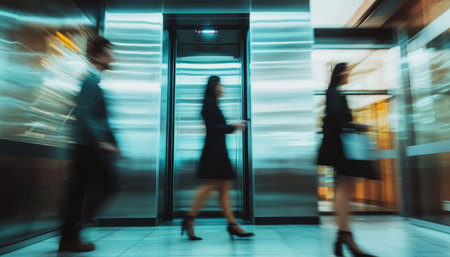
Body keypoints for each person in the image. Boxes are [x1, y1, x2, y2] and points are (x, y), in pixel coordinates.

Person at [59, 35, 119, 252]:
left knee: (82, 189)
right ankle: (71, 234)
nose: (112, 56)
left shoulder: (94, 81)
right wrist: (101, 142)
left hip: (89, 145)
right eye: (108, 52)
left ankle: (70, 234)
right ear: (97, 56)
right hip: (88, 146)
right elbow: (84, 114)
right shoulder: (91, 81)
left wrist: (111, 141)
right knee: (100, 186)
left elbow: (96, 117)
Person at [181, 75, 254, 240]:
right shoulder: (209, 103)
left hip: (218, 149)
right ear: (214, 86)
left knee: (224, 187)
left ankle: (232, 224)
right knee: (213, 185)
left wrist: (233, 127)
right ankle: (189, 218)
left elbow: (217, 127)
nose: (223, 88)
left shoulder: (212, 104)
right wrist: (232, 126)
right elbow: (213, 128)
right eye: (221, 85)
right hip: (214, 150)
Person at [317, 63, 377, 257]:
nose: (349, 75)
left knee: (346, 188)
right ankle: (345, 236)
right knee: (345, 189)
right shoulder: (335, 93)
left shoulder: (334, 93)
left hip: (339, 148)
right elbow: (339, 121)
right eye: (348, 71)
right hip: (342, 149)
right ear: (341, 73)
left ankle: (343, 236)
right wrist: (358, 126)